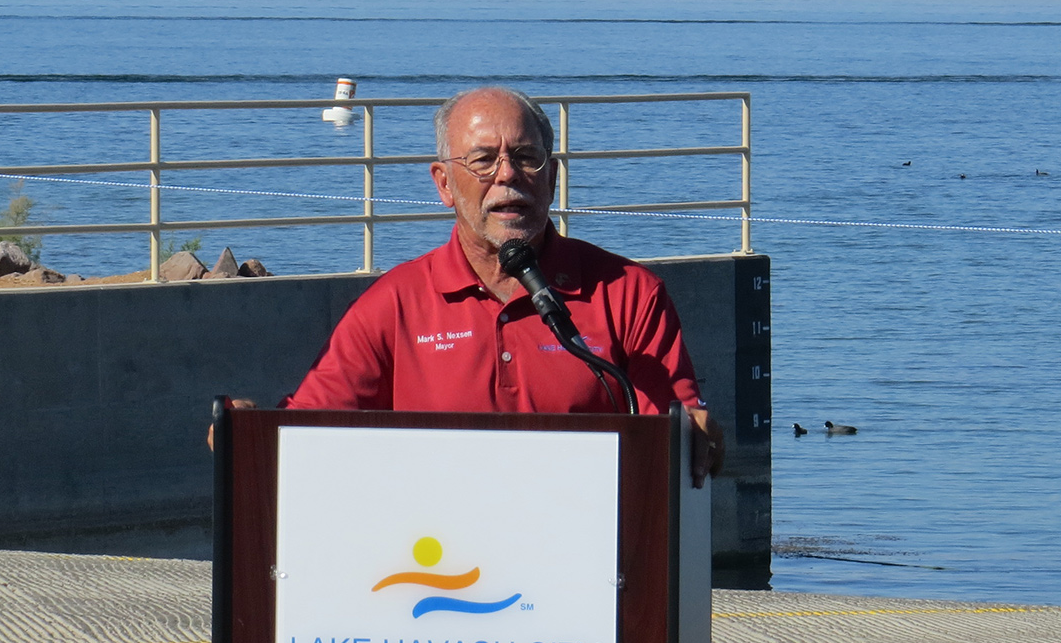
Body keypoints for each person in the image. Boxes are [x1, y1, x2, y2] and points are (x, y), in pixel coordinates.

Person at [270, 85, 722, 470]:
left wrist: (700, 436)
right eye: (484, 160)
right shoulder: (393, 304)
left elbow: (679, 438)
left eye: (526, 157)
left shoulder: (628, 294)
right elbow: (301, 433)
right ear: (444, 184)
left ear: (552, 178)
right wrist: (243, 432)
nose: (507, 175)